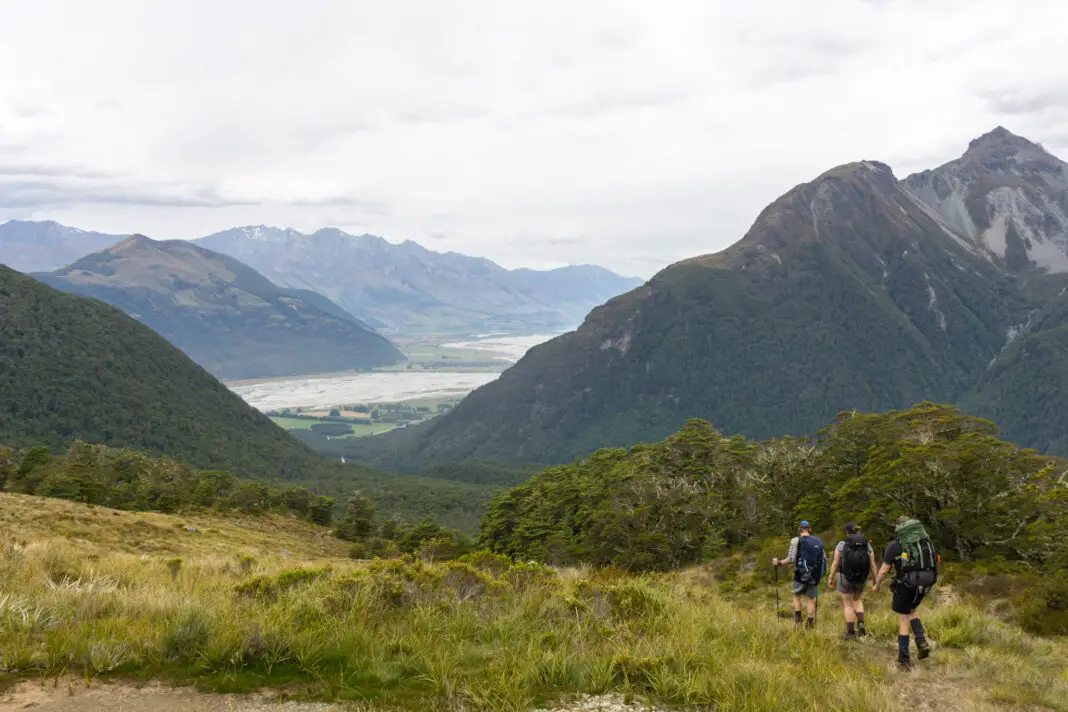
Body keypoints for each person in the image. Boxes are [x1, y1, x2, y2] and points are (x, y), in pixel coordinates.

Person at [873, 516, 938, 669]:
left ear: (898, 528)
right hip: (925, 583)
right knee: (912, 610)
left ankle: (904, 660)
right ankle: (921, 641)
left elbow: (884, 570)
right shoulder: (924, 542)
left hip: (906, 584)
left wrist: (876, 584)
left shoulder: (895, 546)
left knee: (903, 619)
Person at [826, 522, 878, 639]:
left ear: (847, 532)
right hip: (862, 578)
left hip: (846, 577)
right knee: (857, 600)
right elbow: (873, 565)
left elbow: (835, 563)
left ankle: (850, 633)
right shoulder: (867, 545)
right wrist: (876, 580)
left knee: (848, 604)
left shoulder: (842, 544)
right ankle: (860, 623)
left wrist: (831, 577)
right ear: (858, 532)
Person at [772, 521, 826, 629]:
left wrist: (779, 562)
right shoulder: (818, 541)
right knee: (810, 599)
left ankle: (798, 620)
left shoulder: (796, 540)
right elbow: (823, 559)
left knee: (796, 596)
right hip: (814, 575)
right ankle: (810, 624)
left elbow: (791, 558)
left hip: (800, 575)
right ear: (809, 529)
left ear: (800, 530)